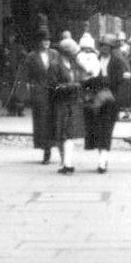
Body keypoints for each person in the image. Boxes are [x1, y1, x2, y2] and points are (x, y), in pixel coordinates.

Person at [18, 28, 60, 164]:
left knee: (55, 121)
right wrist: (31, 90)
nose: (46, 43)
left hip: (54, 92)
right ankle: (46, 150)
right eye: (43, 40)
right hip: (40, 93)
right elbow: (26, 76)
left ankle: (58, 150)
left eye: (48, 40)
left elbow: (60, 71)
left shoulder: (54, 54)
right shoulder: (32, 56)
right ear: (38, 42)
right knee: (42, 123)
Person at [51, 37, 86, 173]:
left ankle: (67, 163)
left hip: (73, 102)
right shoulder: (55, 65)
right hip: (61, 103)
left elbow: (81, 78)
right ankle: (64, 161)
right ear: (66, 52)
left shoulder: (74, 64)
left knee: (70, 133)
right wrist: (72, 86)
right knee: (62, 134)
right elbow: (53, 86)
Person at [83, 34, 116, 173]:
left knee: (106, 131)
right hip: (96, 102)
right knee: (97, 131)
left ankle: (103, 160)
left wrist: (116, 99)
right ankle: (102, 158)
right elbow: (88, 80)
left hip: (110, 102)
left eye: (107, 46)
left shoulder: (118, 62)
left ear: (111, 48)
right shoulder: (95, 60)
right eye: (102, 46)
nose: (104, 49)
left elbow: (123, 84)